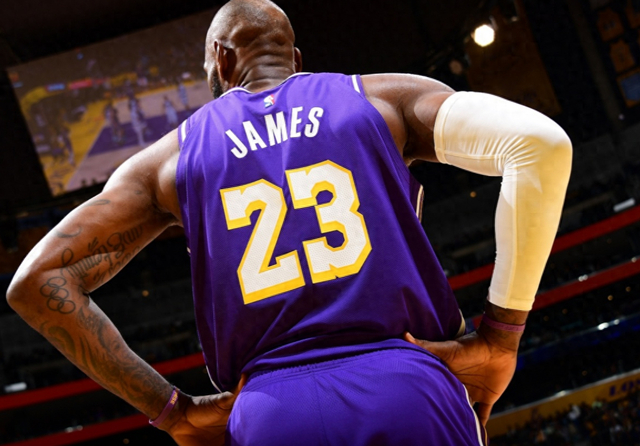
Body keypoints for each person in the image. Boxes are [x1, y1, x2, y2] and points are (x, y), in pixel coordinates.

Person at [6, 1, 572, 445]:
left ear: (220, 59)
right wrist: (501, 335)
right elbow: (540, 145)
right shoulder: (383, 100)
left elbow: (36, 282)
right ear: (295, 59)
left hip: (271, 413)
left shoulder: (168, 162)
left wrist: (171, 410)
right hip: (408, 383)